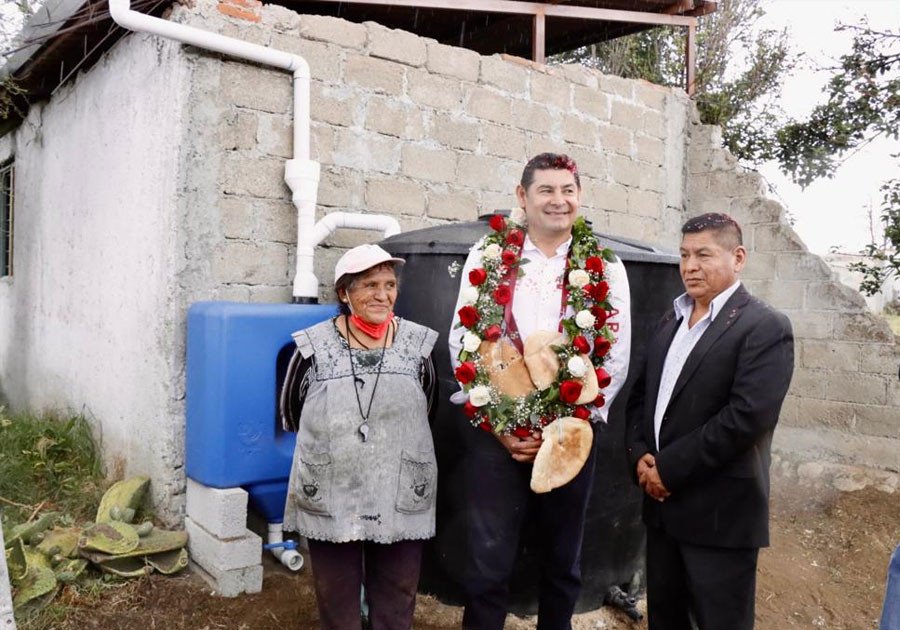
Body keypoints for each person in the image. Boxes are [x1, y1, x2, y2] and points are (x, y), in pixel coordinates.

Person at [447, 152, 632, 629]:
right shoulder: (488, 255)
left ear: (579, 197)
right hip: (499, 437)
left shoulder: (605, 267)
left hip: (570, 434)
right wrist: (501, 425)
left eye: (567, 190)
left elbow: (615, 354)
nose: (558, 200)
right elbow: (461, 343)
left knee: (562, 560)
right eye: (546, 190)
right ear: (522, 197)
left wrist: (569, 427)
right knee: (488, 559)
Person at [625, 212, 795, 630]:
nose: (690, 266)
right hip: (663, 510)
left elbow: (746, 417)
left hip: (720, 515)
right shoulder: (672, 321)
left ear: (738, 258)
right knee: (666, 620)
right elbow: (641, 400)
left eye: (704, 254)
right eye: (684, 255)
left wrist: (669, 468)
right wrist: (641, 457)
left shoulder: (764, 327)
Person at [280, 243, 438, 630]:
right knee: (337, 596)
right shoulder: (312, 348)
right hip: (334, 487)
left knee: (398, 594)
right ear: (344, 293)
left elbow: (427, 408)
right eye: (369, 285)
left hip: (400, 487)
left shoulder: (418, 346)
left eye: (389, 284)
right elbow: (291, 413)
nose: (382, 295)